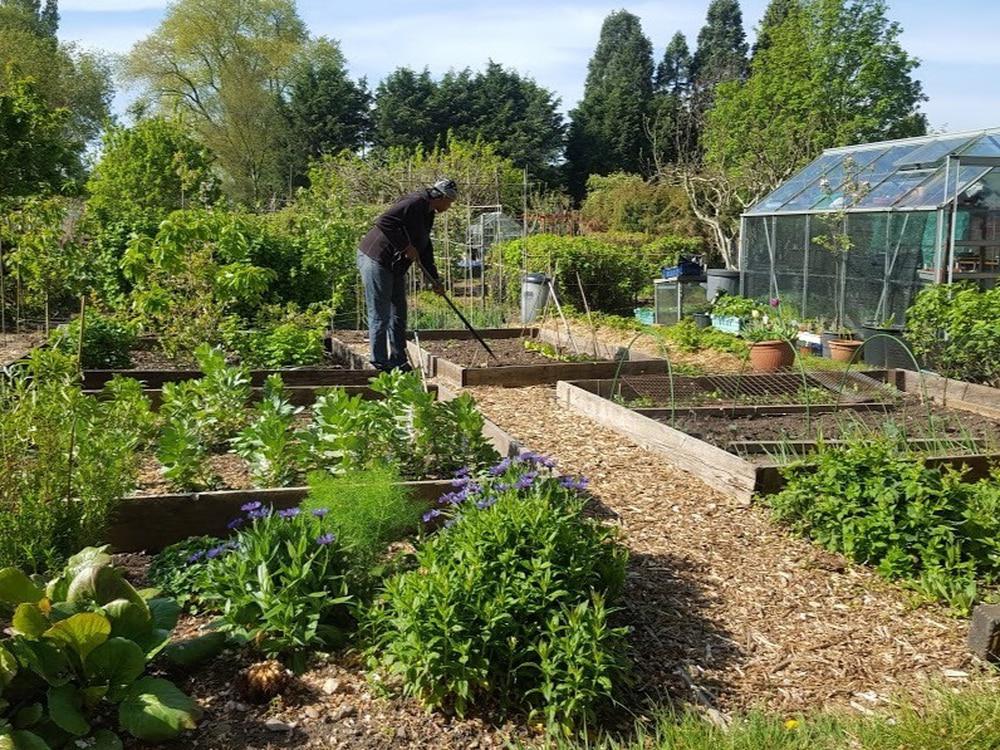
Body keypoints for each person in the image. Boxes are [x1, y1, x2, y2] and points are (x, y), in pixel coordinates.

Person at [356, 178, 457, 371]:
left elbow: (425, 247)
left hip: (394, 266)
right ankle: (379, 363)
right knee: (380, 313)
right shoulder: (415, 202)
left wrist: (434, 279)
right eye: (449, 202)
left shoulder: (428, 212)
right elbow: (384, 221)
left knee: (398, 313)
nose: (449, 206)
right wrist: (405, 246)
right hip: (377, 258)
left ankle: (398, 360)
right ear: (441, 197)